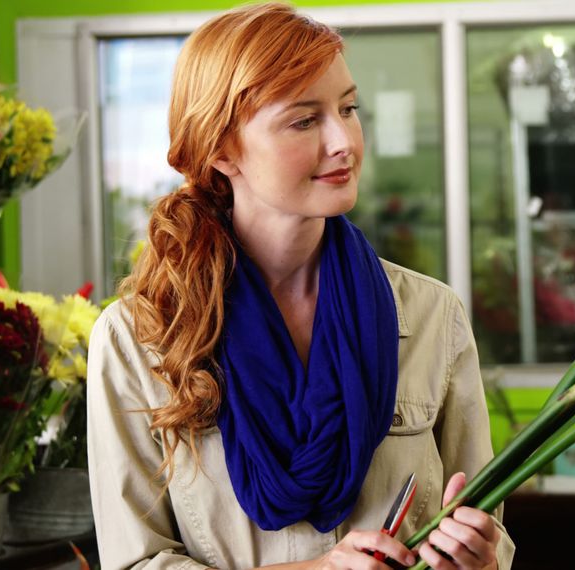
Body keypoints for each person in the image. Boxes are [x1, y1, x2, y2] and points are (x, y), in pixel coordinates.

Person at [87, 4, 515, 569]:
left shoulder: (433, 314)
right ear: (221, 150)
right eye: (304, 120)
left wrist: (480, 556)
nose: (345, 141)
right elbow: (134, 564)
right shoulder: (139, 339)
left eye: (349, 108)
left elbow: (493, 537)